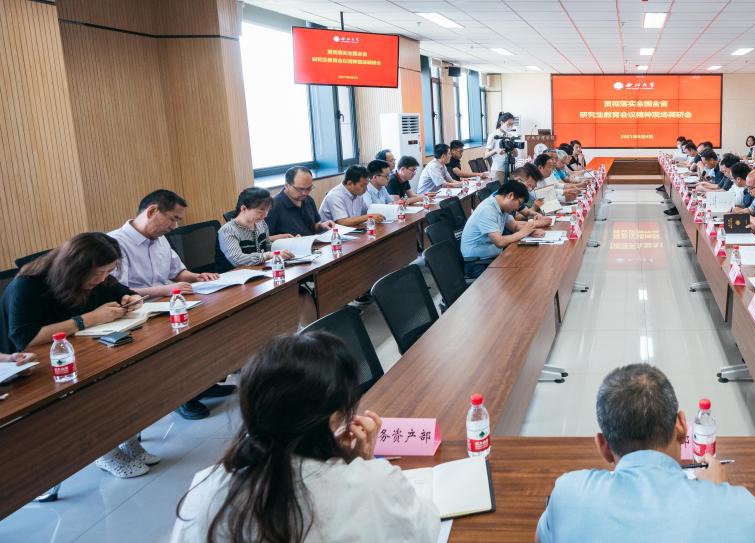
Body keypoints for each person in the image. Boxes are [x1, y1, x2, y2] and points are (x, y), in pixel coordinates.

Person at [173, 332, 441, 542]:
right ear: (335, 414)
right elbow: (425, 529)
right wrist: (365, 464)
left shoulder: (205, 490)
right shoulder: (372, 484)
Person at [536, 363, 755, 542]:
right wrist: (718, 493)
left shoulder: (568, 494)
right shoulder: (741, 507)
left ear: (603, 446)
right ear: (682, 427)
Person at [2, 233, 155, 478]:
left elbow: (124, 291)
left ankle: (125, 438)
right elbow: (26, 339)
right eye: (97, 273)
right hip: (32, 368)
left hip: (81, 350)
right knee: (97, 386)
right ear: (74, 269)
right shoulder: (28, 286)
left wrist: (132, 299)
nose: (102, 279)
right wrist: (88, 319)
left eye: (108, 271)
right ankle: (104, 451)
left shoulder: (98, 276)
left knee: (124, 374)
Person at [108, 189, 232, 421]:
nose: (174, 226)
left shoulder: (160, 239)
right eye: (173, 219)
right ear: (152, 211)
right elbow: (116, 292)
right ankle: (180, 396)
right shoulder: (115, 243)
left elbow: (177, 272)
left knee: (213, 320)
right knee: (175, 337)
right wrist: (162, 290)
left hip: (167, 303)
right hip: (136, 312)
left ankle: (203, 383)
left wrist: (196, 277)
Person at [459, 182, 550, 277]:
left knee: (528, 265)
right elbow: (500, 242)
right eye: (519, 203)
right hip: (477, 264)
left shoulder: (501, 208)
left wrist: (531, 230)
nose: (517, 208)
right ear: (510, 195)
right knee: (522, 273)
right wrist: (523, 233)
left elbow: (515, 226)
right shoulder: (487, 210)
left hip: (491, 258)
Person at [219, 188, 294, 267]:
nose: (265, 215)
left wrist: (290, 245)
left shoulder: (261, 224)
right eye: (260, 211)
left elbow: (266, 246)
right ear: (243, 208)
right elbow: (237, 259)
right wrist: (269, 255)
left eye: (267, 210)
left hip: (258, 269)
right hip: (235, 273)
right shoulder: (228, 230)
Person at [266, 166, 337, 237]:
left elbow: (312, 227)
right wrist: (284, 238)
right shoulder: (273, 206)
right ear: (287, 185)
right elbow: (266, 239)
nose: (305, 193)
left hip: (311, 242)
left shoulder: (309, 200)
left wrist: (321, 226)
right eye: (300, 189)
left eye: (309, 188)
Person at [319, 165, 385, 227]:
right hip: (332, 233)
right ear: (349, 183)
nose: (366, 189)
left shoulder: (357, 193)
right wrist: (369, 216)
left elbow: (366, 211)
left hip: (352, 230)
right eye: (362, 186)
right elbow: (342, 222)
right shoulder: (335, 196)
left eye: (366, 185)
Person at [485, 112, 520, 183]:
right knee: (501, 189)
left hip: (510, 169)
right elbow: (486, 155)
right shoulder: (493, 135)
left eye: (512, 124)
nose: (510, 126)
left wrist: (511, 143)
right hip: (498, 170)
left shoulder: (509, 135)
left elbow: (516, 154)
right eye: (508, 124)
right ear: (502, 123)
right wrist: (496, 150)